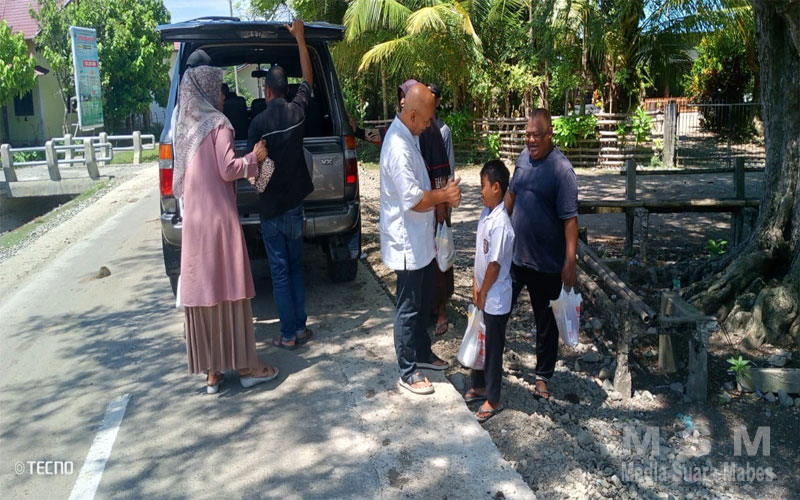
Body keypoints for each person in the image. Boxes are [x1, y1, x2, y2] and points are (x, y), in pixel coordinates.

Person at [174, 59, 278, 394]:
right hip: (219, 220)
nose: (222, 96)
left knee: (206, 291)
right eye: (219, 89)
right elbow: (227, 168)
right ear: (206, 89)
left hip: (194, 223)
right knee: (231, 288)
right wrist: (254, 158)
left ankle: (212, 373)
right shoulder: (220, 125)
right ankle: (247, 367)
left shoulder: (184, 128)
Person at [380, 83, 462, 395]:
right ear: (412, 115)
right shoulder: (398, 146)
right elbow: (414, 199)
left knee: (425, 297)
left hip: (421, 238)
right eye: (426, 120)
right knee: (408, 306)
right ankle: (407, 370)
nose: (429, 125)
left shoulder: (410, 134)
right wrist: (444, 195)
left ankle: (423, 352)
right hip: (407, 241)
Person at [247, 19, 314, 351]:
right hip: (295, 206)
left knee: (280, 273)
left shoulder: (257, 123)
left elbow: (253, 168)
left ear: (267, 91)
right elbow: (308, 79)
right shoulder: (297, 112)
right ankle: (299, 329)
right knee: (296, 268)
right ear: (286, 89)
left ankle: (287, 335)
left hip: (271, 210)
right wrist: (300, 39)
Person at [504, 109, 578, 400]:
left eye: (536, 135)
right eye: (527, 135)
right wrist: (495, 223)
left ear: (550, 134)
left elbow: (570, 220)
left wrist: (570, 261)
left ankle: (542, 377)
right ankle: (485, 364)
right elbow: (511, 195)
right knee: (498, 310)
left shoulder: (562, 170)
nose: (531, 140)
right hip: (515, 257)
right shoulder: (523, 158)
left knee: (545, 323)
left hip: (547, 263)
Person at [464, 160, 515, 422]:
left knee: (493, 348)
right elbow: (480, 256)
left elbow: (494, 265)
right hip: (483, 291)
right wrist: (475, 284)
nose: (480, 190)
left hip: (495, 297)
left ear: (496, 187)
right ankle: (480, 385)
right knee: (481, 340)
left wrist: (483, 292)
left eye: (483, 185)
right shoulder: (486, 214)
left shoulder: (502, 224)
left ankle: (493, 398)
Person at [426, 82, 456, 336]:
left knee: (441, 257)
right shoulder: (418, 127)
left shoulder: (442, 131)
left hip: (439, 202)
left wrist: (443, 205)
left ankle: (442, 310)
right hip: (423, 202)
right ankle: (430, 305)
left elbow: (447, 172)